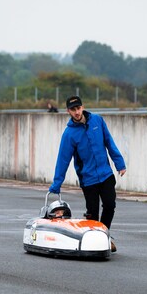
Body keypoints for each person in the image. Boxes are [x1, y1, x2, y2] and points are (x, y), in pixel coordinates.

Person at [49, 96, 126, 252]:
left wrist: (119, 163)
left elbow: (109, 142)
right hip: (88, 178)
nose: (77, 112)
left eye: (78, 108)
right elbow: (63, 160)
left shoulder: (97, 121)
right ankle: (95, 241)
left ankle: (105, 236)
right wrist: (57, 183)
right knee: (93, 213)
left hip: (105, 173)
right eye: (73, 110)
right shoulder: (69, 134)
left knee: (110, 205)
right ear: (68, 111)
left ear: (82, 107)